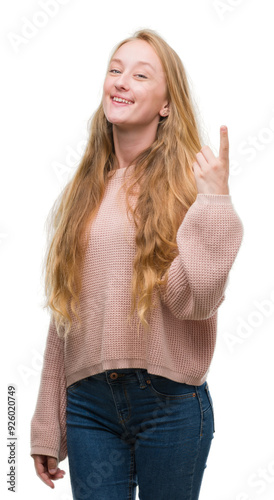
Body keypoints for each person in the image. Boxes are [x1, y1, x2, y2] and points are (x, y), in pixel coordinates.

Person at [30, 28, 244, 499]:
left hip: (168, 402)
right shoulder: (84, 192)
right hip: (88, 407)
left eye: (140, 74)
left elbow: (195, 301)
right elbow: (66, 311)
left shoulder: (188, 186)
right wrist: (49, 421)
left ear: (167, 105)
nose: (121, 81)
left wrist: (215, 202)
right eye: (115, 69)